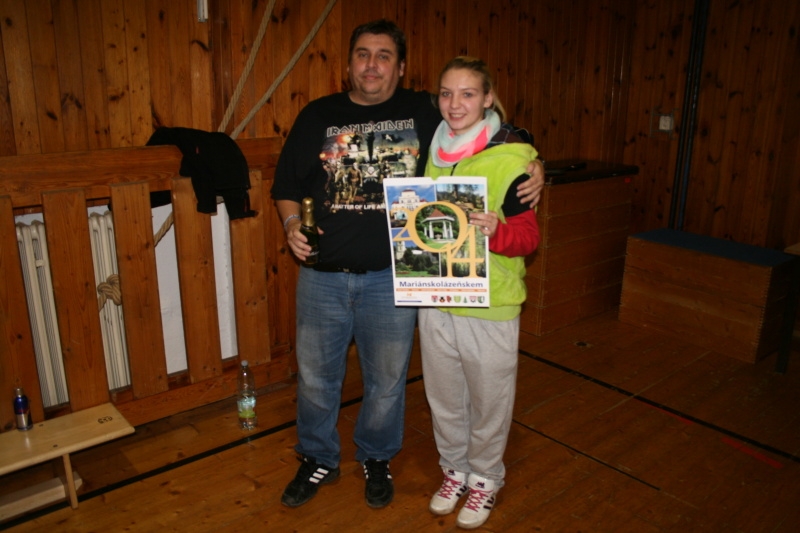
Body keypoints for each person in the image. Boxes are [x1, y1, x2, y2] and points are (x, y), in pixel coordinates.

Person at [270, 19, 544, 510]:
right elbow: (286, 187)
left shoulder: (426, 110)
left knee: (387, 381)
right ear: (349, 63)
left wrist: (533, 161)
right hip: (322, 278)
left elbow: (489, 125)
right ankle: (317, 457)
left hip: (392, 280)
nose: (371, 65)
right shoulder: (317, 115)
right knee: (314, 379)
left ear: (400, 67)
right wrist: (292, 225)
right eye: (362, 54)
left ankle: (377, 457)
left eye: (383, 56)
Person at [418, 56, 541, 529]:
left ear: (488, 98)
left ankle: (486, 478)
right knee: (445, 399)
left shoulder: (513, 159)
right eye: (446, 93)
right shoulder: (433, 151)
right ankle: (455, 471)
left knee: (489, 403)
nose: (455, 104)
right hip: (437, 300)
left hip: (490, 307)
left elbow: (528, 239)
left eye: (468, 94)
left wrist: (496, 231)